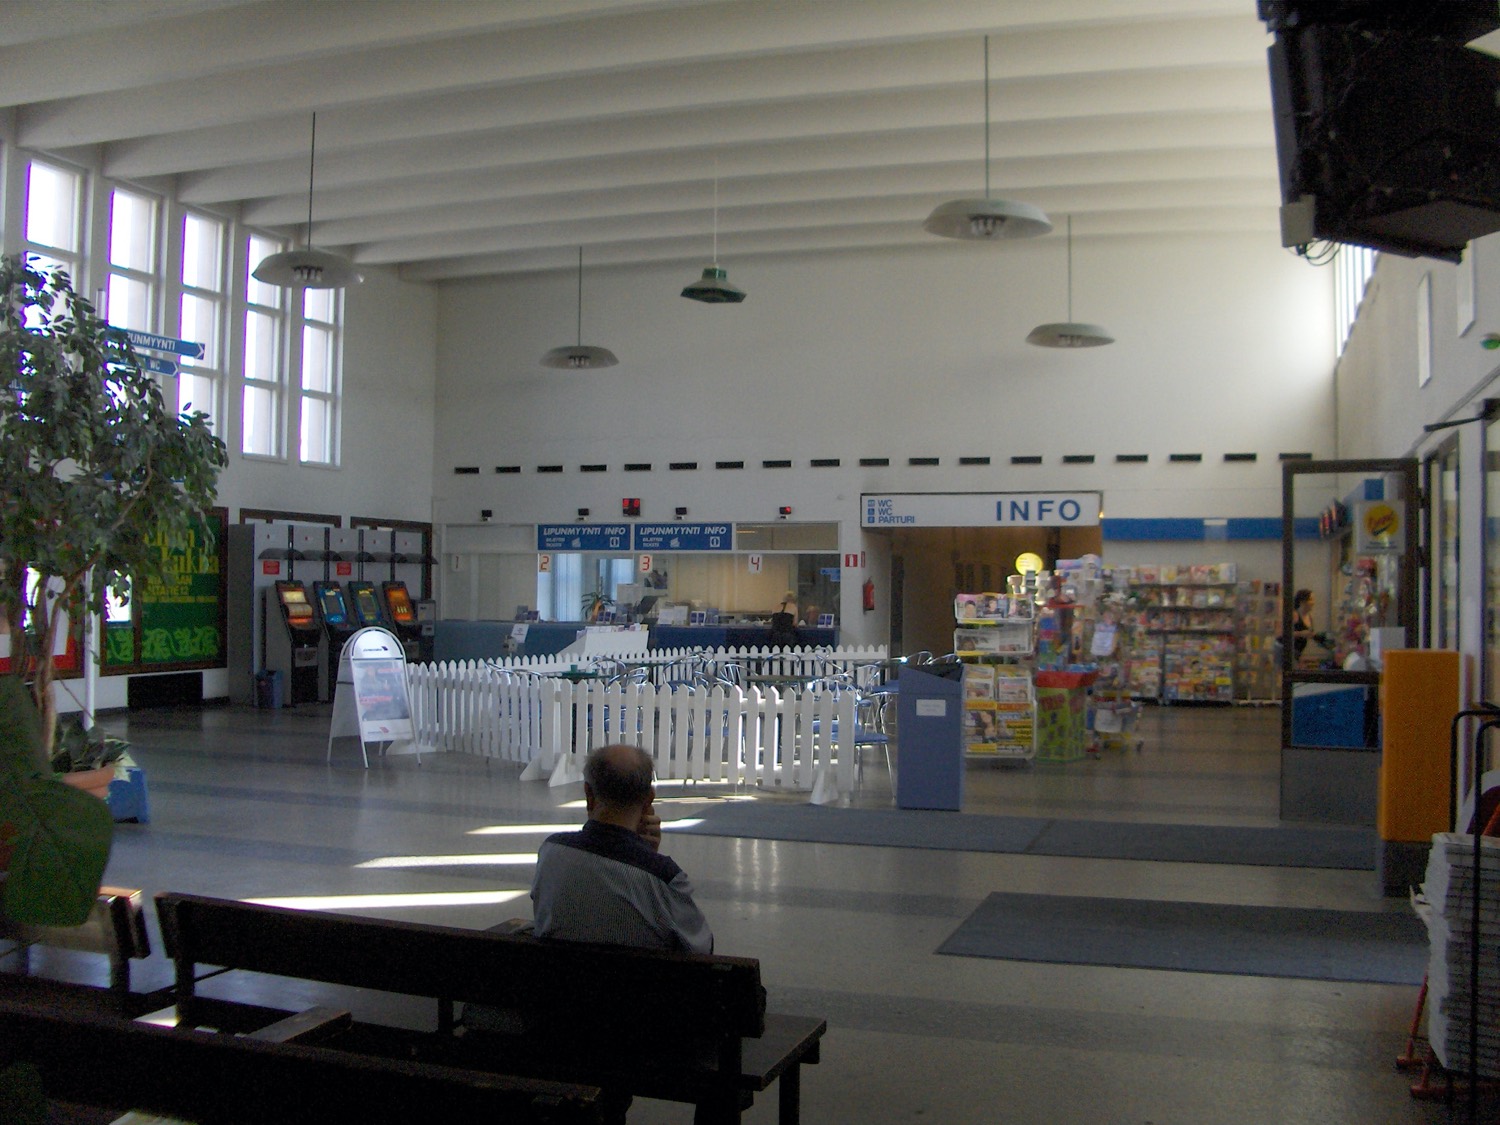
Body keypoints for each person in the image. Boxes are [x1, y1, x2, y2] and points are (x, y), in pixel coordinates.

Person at [529, 743, 713, 953]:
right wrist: (649, 857)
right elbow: (701, 948)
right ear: (649, 799)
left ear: (588, 793)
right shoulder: (664, 878)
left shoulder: (551, 852)